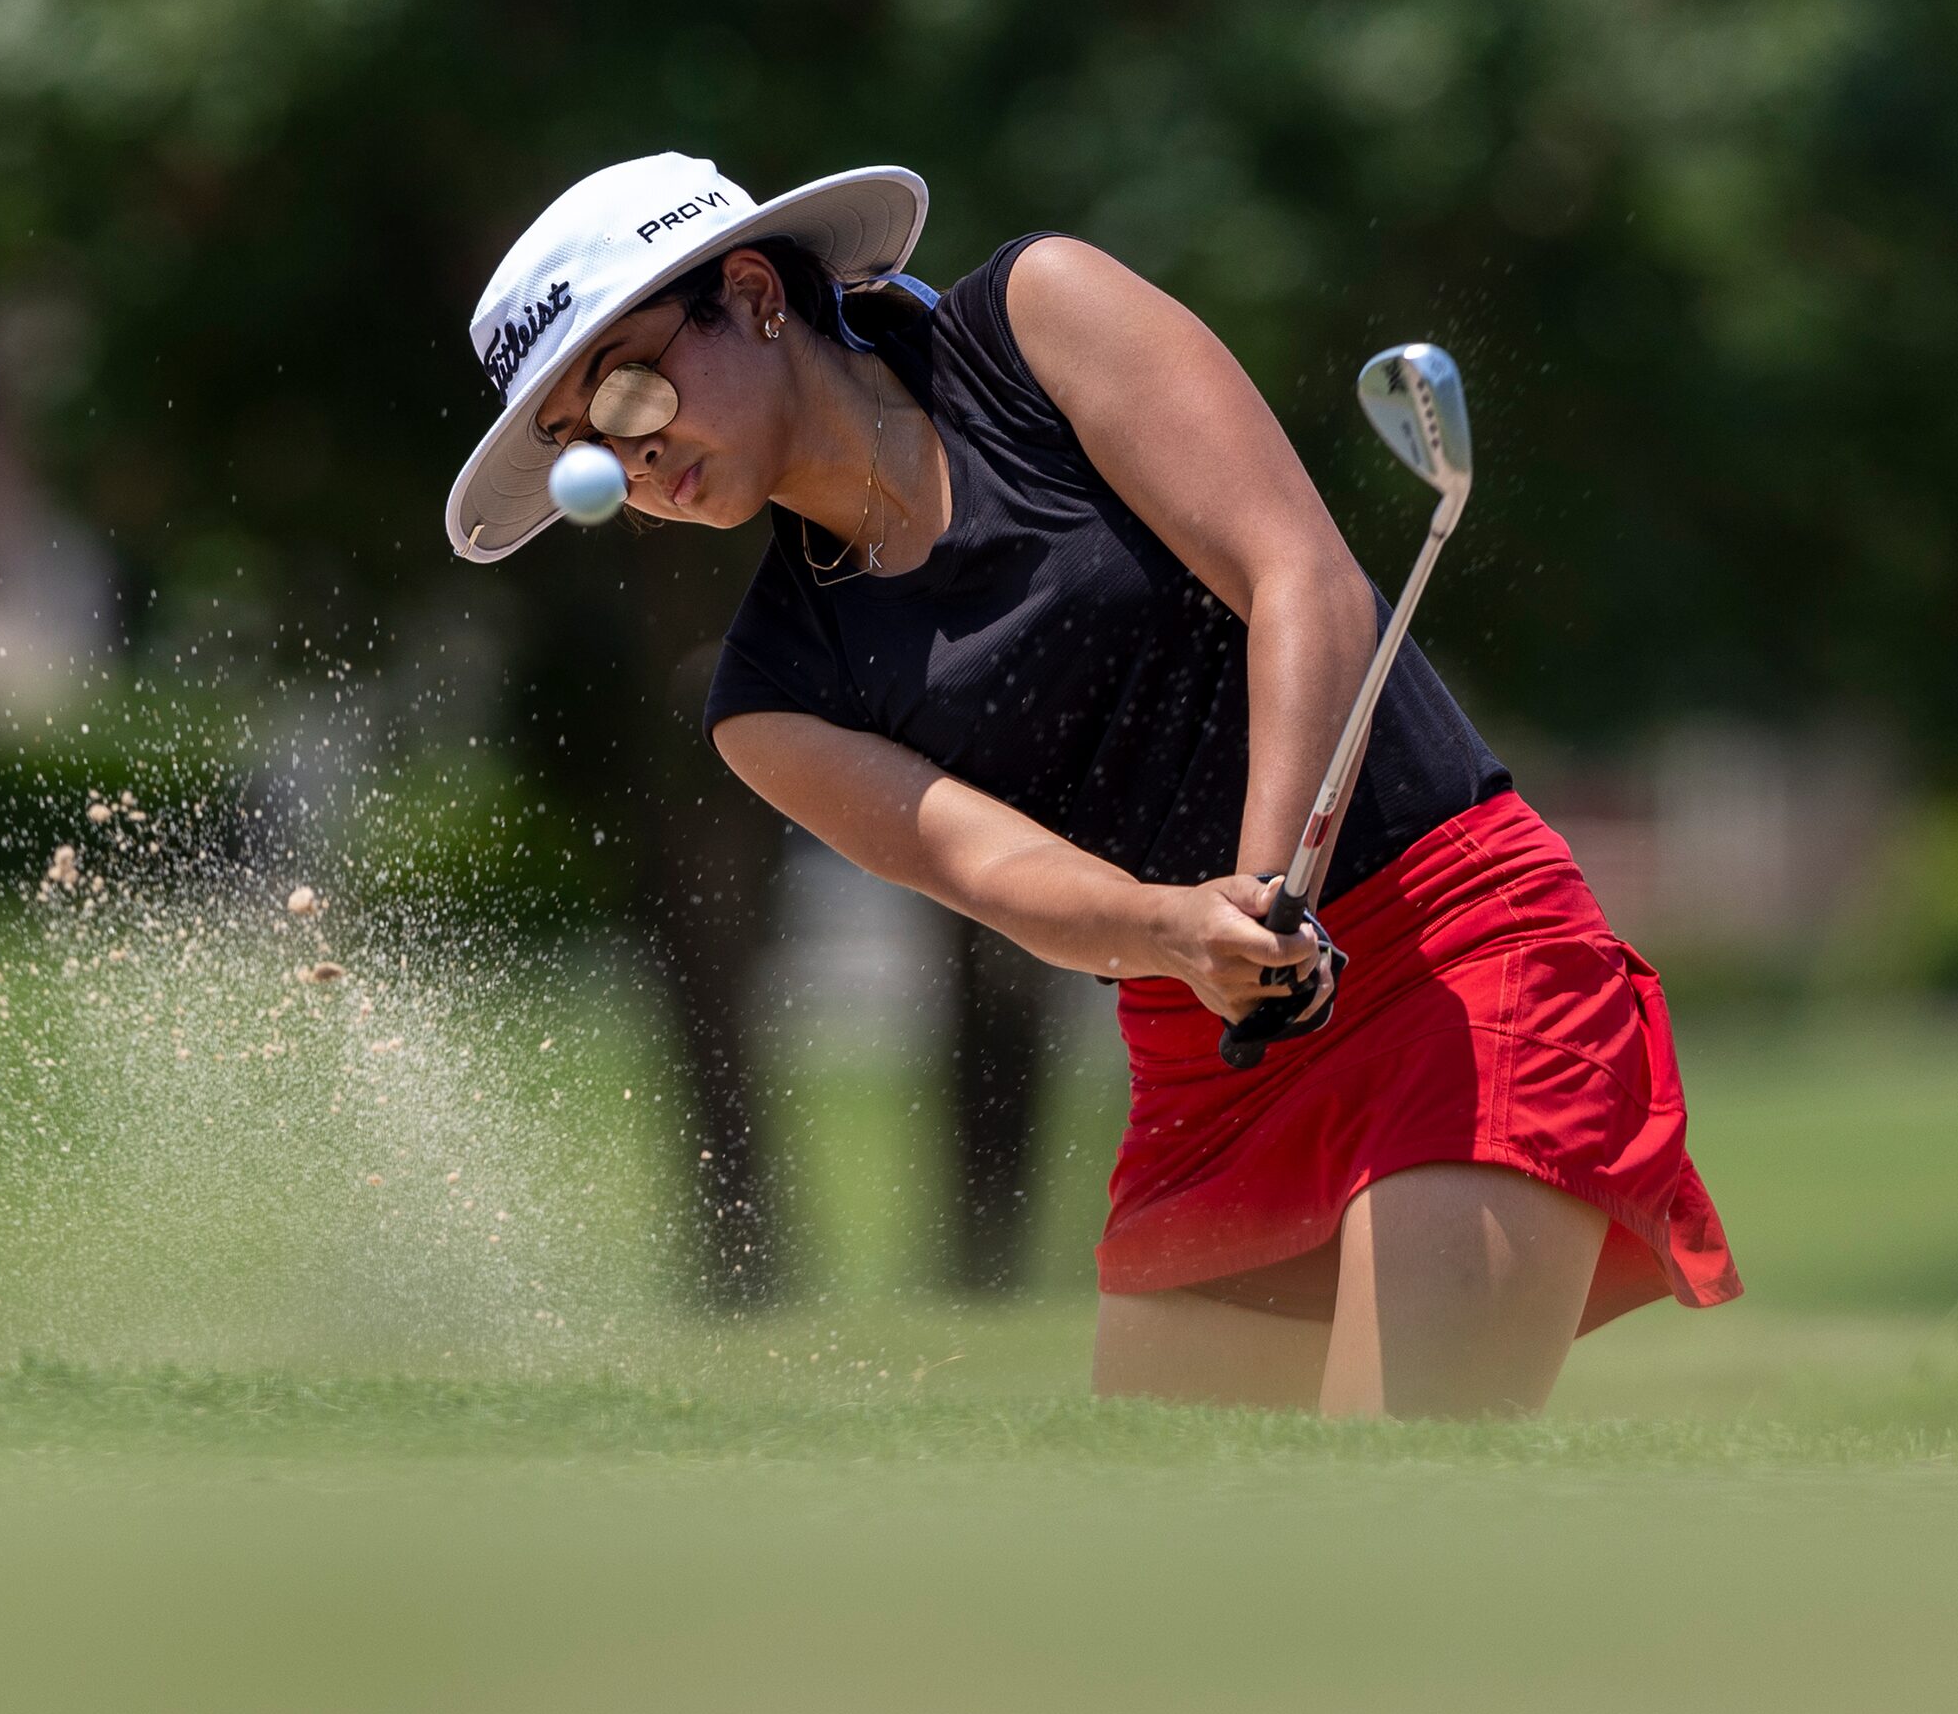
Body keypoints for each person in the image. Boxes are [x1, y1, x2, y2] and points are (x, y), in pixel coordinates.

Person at [446, 153, 1740, 1417]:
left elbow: (1300, 581)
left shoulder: (1038, 316)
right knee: (1179, 1587)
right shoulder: (769, 698)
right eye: (584, 447)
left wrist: (1259, 894)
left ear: (753, 294)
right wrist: (1184, 933)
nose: (631, 458)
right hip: (1207, 1041)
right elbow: (992, 870)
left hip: (1447, 958)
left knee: (1400, 1505)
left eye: (624, 397)